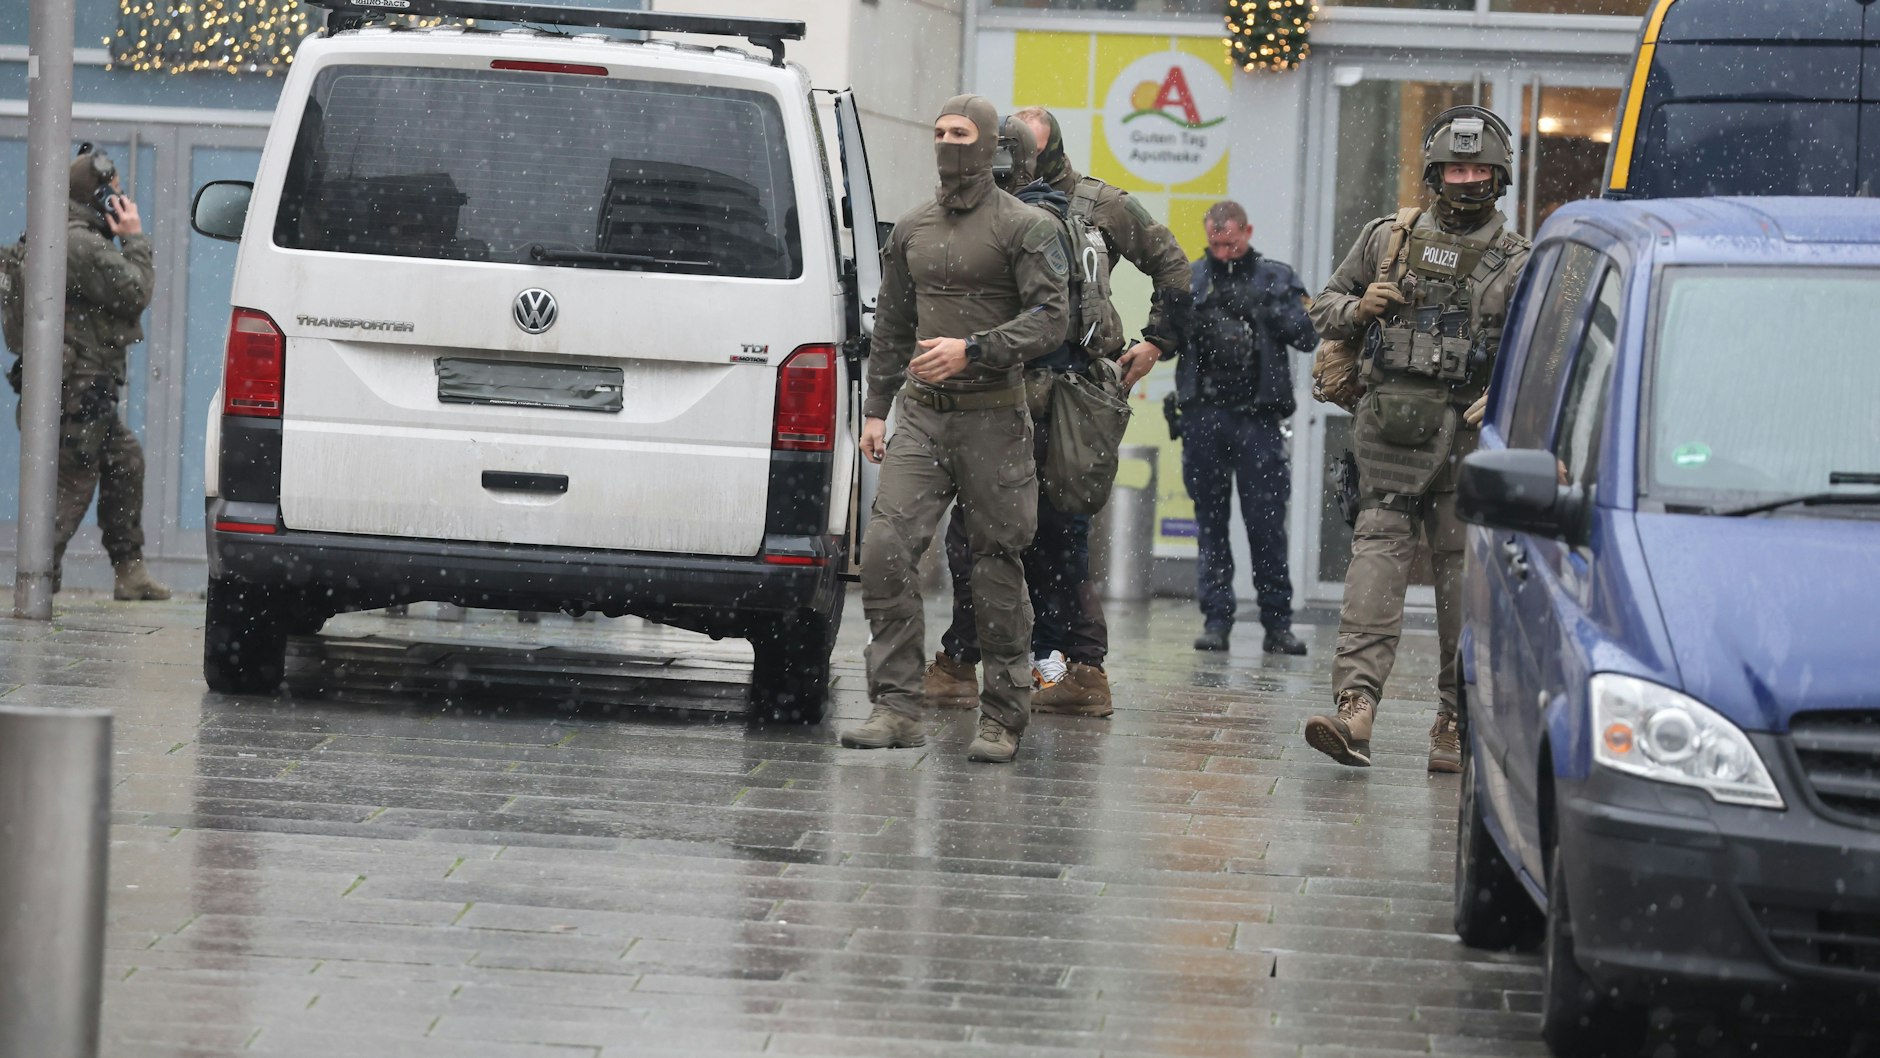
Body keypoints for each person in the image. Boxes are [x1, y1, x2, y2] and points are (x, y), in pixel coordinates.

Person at [923, 104, 1191, 717]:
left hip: (1057, 393)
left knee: (1035, 531)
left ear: (1045, 151)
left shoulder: (1094, 206)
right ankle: (1032, 663)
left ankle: (1050, 666)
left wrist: (1157, 342)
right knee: (1014, 532)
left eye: (1021, 150)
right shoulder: (1002, 206)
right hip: (1022, 389)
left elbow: (1173, 264)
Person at [839, 96, 1070, 765]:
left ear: (990, 144)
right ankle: (896, 706)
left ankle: (1002, 716)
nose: (946, 143)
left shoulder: (1027, 227)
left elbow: (1052, 320)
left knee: (995, 570)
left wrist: (976, 348)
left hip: (995, 416)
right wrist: (877, 409)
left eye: (959, 134)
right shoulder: (913, 227)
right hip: (921, 415)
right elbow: (891, 328)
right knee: (884, 551)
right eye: (938, 132)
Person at [1303, 107, 1531, 773]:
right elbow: (1322, 306)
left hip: (1467, 442)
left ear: (1500, 176)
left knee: (1465, 585)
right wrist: (1358, 308)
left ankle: (1455, 718)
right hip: (1389, 435)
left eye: (1479, 169)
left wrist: (1510, 394)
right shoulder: (1387, 239)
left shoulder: (1520, 261)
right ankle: (1356, 708)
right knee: (1374, 566)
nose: (1467, 180)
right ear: (1435, 172)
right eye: (1456, 168)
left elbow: (1546, 350)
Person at [24, 146, 170, 600]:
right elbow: (135, 291)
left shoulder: (73, 235)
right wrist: (135, 237)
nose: (122, 201)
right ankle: (37, 581)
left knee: (124, 461)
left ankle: (130, 572)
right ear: (101, 197)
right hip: (79, 387)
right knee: (72, 480)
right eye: (116, 194)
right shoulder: (80, 243)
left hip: (85, 384)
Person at [1173, 201, 1315, 655]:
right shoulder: (1191, 278)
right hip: (1204, 419)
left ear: (1247, 231)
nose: (1225, 252)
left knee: (1267, 525)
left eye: (1232, 242)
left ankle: (1277, 623)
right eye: (1216, 244)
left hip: (1258, 421)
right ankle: (1217, 620)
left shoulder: (1275, 278)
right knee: (1210, 525)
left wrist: (1267, 307)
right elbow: (1166, 334)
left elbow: (1308, 334)